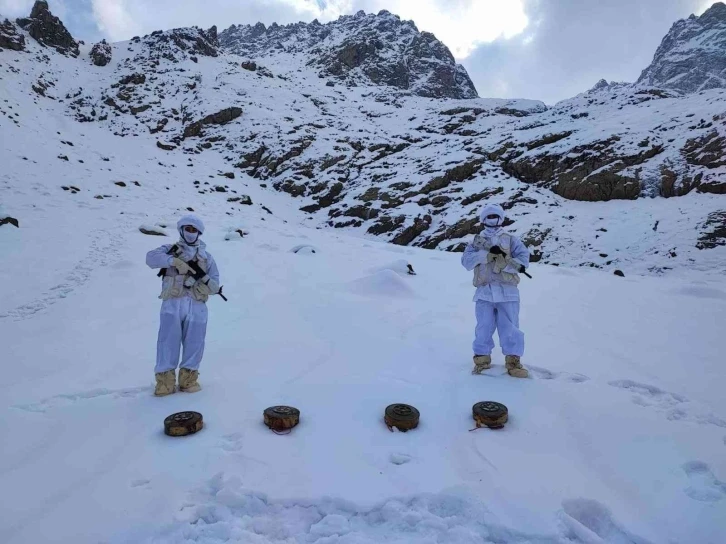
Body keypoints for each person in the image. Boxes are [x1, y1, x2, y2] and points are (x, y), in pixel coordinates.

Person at [146, 215, 220, 396]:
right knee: (167, 342)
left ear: (199, 233)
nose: (190, 233)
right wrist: (173, 261)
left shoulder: (206, 257)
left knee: (195, 342)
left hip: (197, 305)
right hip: (173, 302)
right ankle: (165, 382)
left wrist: (207, 284)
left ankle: (189, 380)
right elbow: (151, 258)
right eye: (188, 229)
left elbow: (215, 282)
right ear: (181, 230)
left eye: (194, 230)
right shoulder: (169, 249)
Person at [461, 203, 530, 378]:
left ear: (501, 218)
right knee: (483, 327)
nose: (492, 219)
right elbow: (466, 262)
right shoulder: (476, 242)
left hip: (508, 292)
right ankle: (481, 361)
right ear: (483, 219)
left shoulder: (511, 239)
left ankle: (513, 362)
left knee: (511, 328)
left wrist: (505, 264)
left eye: (495, 216)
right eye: (488, 216)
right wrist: (485, 256)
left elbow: (523, 261)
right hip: (484, 292)